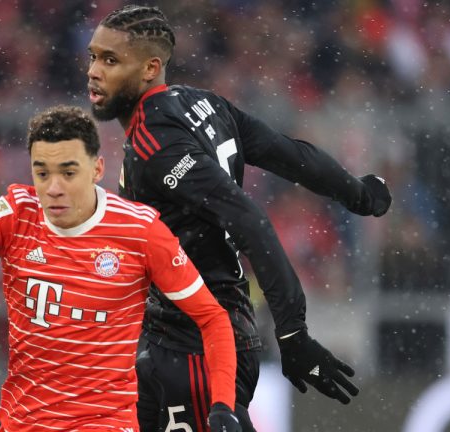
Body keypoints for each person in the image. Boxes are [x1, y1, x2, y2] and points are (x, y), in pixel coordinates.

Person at [86, 5, 393, 432]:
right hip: (181, 337)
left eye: (110, 60)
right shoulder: (204, 103)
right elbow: (290, 155)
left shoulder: (157, 145)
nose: (94, 71)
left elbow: (249, 218)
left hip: (196, 342)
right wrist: (357, 193)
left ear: (150, 67)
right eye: (93, 56)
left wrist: (292, 332)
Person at [0, 105, 241, 432]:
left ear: (97, 169)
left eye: (68, 172)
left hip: (105, 424)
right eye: (42, 173)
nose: (54, 188)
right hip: (23, 424)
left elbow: (212, 318)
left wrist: (223, 403)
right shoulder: (15, 213)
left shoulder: (141, 231)